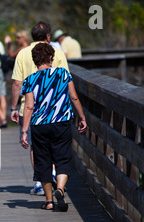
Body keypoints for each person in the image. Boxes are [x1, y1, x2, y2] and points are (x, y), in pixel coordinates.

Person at [20, 43, 87, 211]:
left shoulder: (30, 80)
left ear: (35, 60)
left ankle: (49, 201)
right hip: (61, 122)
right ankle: (61, 189)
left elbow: (28, 107)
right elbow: (74, 98)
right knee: (63, 158)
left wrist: (24, 131)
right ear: (51, 58)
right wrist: (82, 117)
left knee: (43, 161)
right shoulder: (63, 74)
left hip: (39, 125)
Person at [10, 21, 69, 196]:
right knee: (56, 146)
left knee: (36, 147)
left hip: (29, 109)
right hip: (55, 109)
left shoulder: (22, 54)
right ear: (48, 37)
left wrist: (13, 107)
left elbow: (17, 83)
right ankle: (54, 178)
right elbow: (65, 80)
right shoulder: (57, 52)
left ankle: (39, 183)